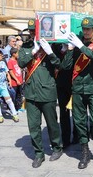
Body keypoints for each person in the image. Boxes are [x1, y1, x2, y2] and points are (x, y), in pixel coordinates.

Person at [61, 17, 93, 169]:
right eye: (84, 29)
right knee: (79, 122)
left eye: (89, 29)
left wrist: (80, 46)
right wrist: (68, 50)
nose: (86, 31)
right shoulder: (76, 43)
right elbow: (66, 66)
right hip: (78, 89)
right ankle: (85, 152)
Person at [18, 20, 63, 168]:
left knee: (52, 124)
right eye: (30, 31)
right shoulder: (25, 47)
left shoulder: (51, 46)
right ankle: (38, 153)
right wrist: (33, 51)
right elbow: (21, 63)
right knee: (33, 125)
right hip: (31, 93)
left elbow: (59, 64)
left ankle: (57, 147)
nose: (32, 34)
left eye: (34, 31)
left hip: (47, 91)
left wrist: (49, 51)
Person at [0, 48, 19, 123]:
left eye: (0, 55)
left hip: (3, 84)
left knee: (8, 99)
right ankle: (0, 115)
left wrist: (9, 81)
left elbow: (7, 72)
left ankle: (14, 114)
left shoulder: (3, 63)